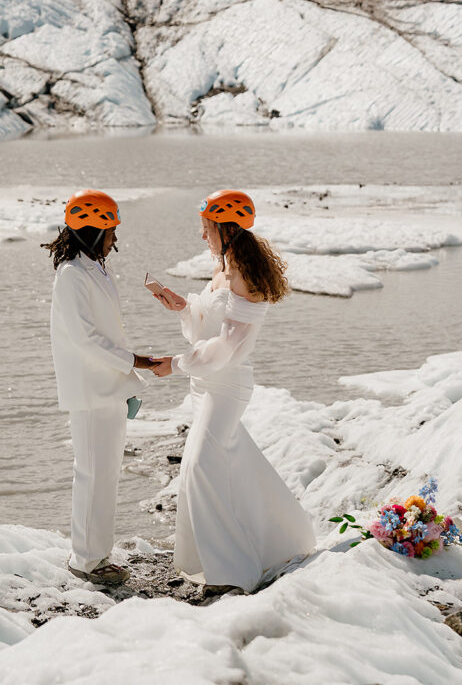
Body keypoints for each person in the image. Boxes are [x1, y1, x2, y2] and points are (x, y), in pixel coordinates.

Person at [151, 189, 316, 594]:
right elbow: (210, 320)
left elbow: (227, 348)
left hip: (226, 386)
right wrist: (184, 307)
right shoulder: (223, 268)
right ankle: (275, 543)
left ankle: (229, 575)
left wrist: (174, 364)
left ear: (224, 229)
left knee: (199, 470)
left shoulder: (245, 275)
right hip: (204, 385)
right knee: (228, 466)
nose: (201, 237)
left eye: (206, 229)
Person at [44, 189, 163, 587]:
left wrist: (128, 378)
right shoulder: (72, 275)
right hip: (91, 393)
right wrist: (138, 362)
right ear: (93, 231)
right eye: (110, 231)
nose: (115, 239)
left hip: (108, 389)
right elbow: (86, 340)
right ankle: (86, 560)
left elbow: (107, 334)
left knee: (105, 474)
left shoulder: (95, 267)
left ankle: (97, 555)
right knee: (92, 474)